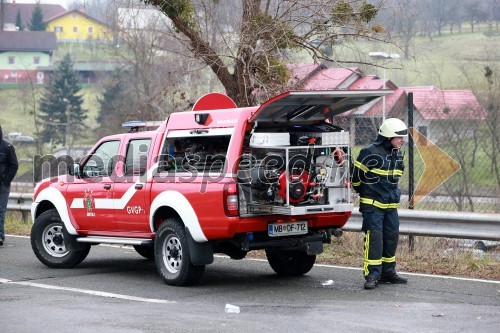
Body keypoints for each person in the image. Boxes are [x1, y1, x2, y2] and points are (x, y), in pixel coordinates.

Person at [351, 118, 408, 290]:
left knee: (391, 239)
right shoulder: (368, 153)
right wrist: (368, 194)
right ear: (388, 136)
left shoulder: (396, 153)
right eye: (399, 137)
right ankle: (373, 275)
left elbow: (394, 179)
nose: (402, 140)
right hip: (373, 206)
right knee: (375, 241)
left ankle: (388, 273)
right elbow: (356, 179)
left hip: (390, 207)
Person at [0, 125, 19, 246]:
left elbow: (14, 165)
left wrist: (6, 180)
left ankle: (0, 236)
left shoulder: (7, 147)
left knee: (0, 211)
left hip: (2, 185)